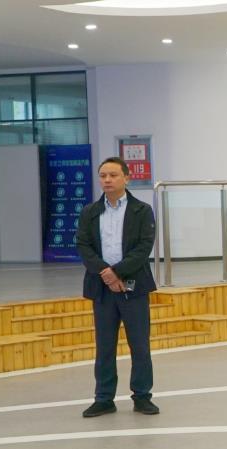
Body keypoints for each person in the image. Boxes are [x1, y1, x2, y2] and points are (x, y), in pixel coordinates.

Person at [74, 157, 159, 418]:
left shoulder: (141, 210)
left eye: (113, 175)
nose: (107, 180)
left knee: (139, 345)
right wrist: (106, 274)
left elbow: (144, 247)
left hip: (134, 287)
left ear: (126, 178)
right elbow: (83, 245)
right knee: (105, 346)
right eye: (103, 176)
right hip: (102, 288)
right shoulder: (90, 211)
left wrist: (118, 272)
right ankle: (104, 398)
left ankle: (142, 396)